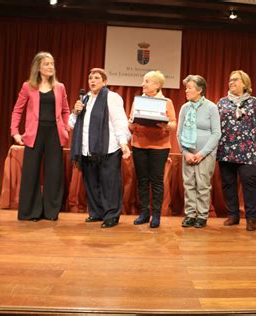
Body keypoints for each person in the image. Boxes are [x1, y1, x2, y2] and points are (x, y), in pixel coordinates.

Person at [10, 51, 70, 221]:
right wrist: (15, 132)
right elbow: (17, 110)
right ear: (38, 67)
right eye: (46, 64)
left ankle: (50, 212)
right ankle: (31, 212)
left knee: (54, 173)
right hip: (34, 134)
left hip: (54, 134)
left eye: (52, 64)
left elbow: (65, 110)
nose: (50, 67)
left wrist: (65, 128)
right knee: (31, 173)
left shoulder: (60, 87)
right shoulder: (28, 86)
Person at [70, 68, 131, 228]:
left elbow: (120, 122)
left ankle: (111, 214)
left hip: (108, 149)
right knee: (91, 183)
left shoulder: (111, 97)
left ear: (104, 82)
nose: (92, 81)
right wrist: (75, 112)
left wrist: (123, 143)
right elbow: (71, 124)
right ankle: (96, 212)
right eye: (90, 78)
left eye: (97, 78)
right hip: (87, 149)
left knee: (109, 183)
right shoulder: (85, 99)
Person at [217, 70, 256, 231]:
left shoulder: (255, 103)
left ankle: (251, 218)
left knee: (250, 184)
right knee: (228, 184)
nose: (231, 82)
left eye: (235, 80)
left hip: (248, 152)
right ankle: (233, 215)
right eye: (230, 80)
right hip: (225, 150)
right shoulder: (222, 102)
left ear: (244, 83)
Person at [129, 70, 177, 228]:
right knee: (142, 180)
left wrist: (166, 125)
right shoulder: (138, 101)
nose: (143, 84)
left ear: (157, 85)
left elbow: (173, 124)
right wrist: (132, 124)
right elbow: (130, 124)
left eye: (147, 81)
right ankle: (144, 213)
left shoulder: (166, 102)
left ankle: (156, 215)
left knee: (156, 180)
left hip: (159, 146)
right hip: (139, 145)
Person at [177, 75, 221, 228]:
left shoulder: (211, 107)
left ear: (200, 90)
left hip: (205, 154)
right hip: (188, 153)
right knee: (189, 184)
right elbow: (179, 132)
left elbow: (216, 133)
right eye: (186, 88)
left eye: (189, 88)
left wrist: (202, 154)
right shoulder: (185, 107)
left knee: (202, 185)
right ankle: (190, 214)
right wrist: (185, 152)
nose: (186, 91)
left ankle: (202, 215)